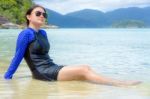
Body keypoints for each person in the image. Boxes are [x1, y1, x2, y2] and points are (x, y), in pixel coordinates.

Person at [4, 5, 141, 86]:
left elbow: (44, 56)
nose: (42, 16)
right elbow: (18, 57)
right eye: (38, 13)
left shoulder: (43, 33)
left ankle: (107, 85)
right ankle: (119, 84)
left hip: (51, 67)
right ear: (28, 17)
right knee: (83, 70)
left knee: (86, 68)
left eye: (44, 14)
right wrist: (7, 78)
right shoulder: (25, 34)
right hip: (42, 73)